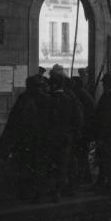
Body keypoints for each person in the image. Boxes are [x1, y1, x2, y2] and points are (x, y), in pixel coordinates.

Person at [0, 75, 49, 202]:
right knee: (39, 167)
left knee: (26, 167)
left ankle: (27, 193)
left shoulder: (24, 99)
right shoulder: (46, 99)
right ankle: (39, 194)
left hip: (26, 140)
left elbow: (14, 121)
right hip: (41, 139)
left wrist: (7, 141)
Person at [45, 73, 83, 202]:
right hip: (67, 137)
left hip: (52, 138)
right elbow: (78, 120)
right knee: (66, 163)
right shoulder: (71, 100)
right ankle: (65, 189)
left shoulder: (48, 101)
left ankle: (55, 191)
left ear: (53, 85)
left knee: (54, 164)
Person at [69, 76, 96, 187]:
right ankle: (86, 177)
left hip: (83, 130)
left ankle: (82, 177)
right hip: (86, 130)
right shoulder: (83, 94)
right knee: (82, 155)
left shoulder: (79, 95)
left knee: (80, 155)